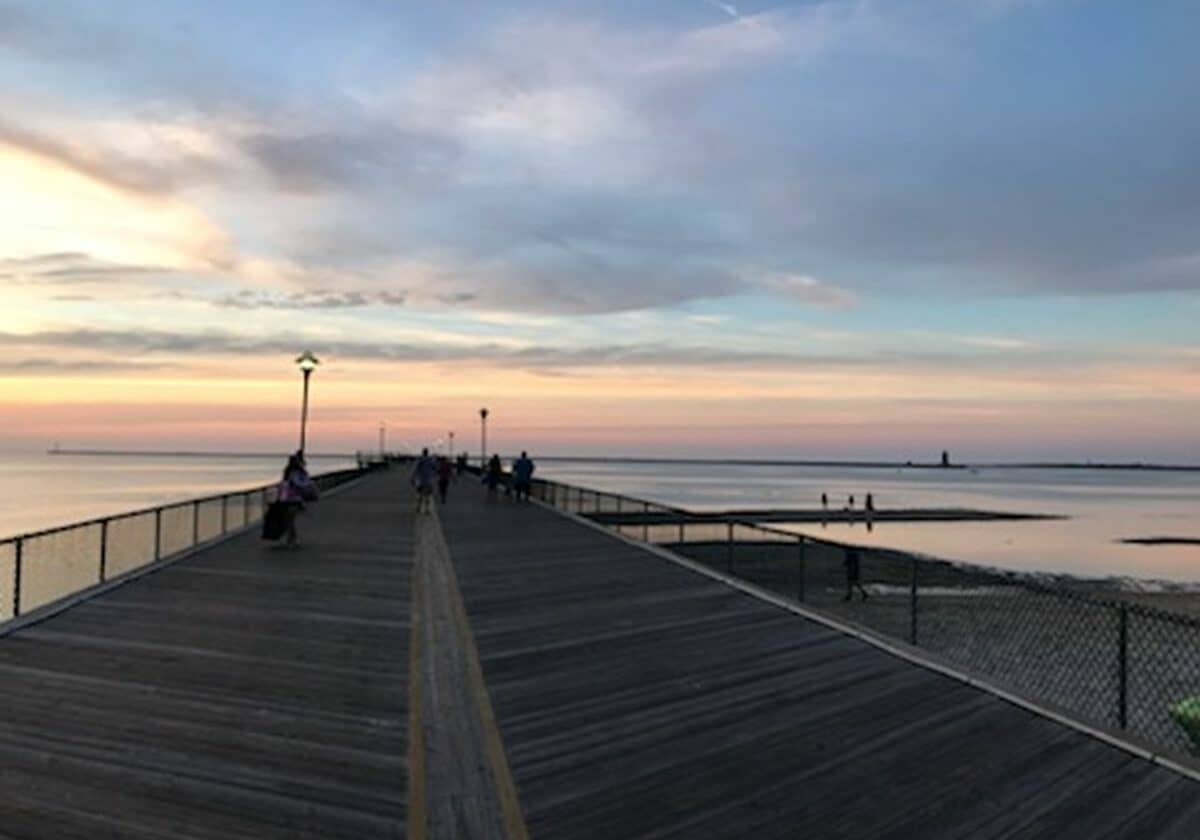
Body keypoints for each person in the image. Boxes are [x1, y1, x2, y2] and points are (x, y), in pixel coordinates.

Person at [278, 451, 317, 548]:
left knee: (289, 520)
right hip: (293, 499)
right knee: (289, 520)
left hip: (291, 499)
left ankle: (292, 539)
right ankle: (292, 539)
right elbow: (304, 484)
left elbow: (296, 484)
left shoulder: (292, 473)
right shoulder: (298, 473)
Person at [411, 448, 437, 513]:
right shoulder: (431, 460)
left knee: (419, 495)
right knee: (428, 496)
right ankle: (427, 509)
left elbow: (415, 470)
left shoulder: (420, 460)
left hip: (421, 480)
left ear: (423, 453)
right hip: (429, 480)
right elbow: (435, 468)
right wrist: (434, 476)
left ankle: (418, 508)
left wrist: (413, 478)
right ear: (427, 453)